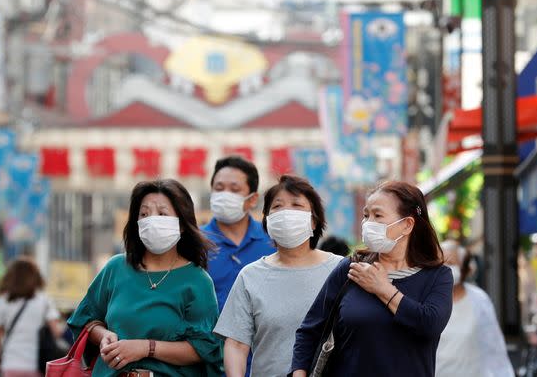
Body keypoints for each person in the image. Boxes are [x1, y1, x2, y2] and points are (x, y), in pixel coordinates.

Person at [290, 181, 452, 377]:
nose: (368, 223)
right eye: (366, 215)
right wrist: (299, 373)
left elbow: (430, 325)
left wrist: (383, 288)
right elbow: (310, 329)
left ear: (407, 225)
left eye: (378, 215)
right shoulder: (351, 268)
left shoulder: (437, 275)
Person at [68, 179, 223, 376]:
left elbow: (205, 348)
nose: (152, 220)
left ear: (182, 225)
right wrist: (104, 336)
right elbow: (85, 319)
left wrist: (146, 348)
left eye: (162, 213)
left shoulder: (197, 281)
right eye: (144, 214)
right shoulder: (116, 267)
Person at [215, 175, 344, 377]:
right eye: (277, 206)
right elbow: (237, 344)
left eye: (296, 205)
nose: (286, 213)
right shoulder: (250, 276)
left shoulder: (339, 269)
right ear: (267, 219)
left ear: (313, 221)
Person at [202, 156, 276, 311]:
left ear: (253, 199)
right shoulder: (194, 242)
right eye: (219, 188)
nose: (224, 195)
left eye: (234, 190)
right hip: (209, 335)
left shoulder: (273, 240)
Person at [435, 241, 513, 377]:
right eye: (440, 263)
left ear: (465, 268)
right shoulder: (426, 299)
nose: (445, 268)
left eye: (451, 263)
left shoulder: (479, 299)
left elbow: (494, 345)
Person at [0, 257, 65, 377]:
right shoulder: (44, 300)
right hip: (35, 366)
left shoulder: (3, 301)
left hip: (10, 365)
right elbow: (56, 332)